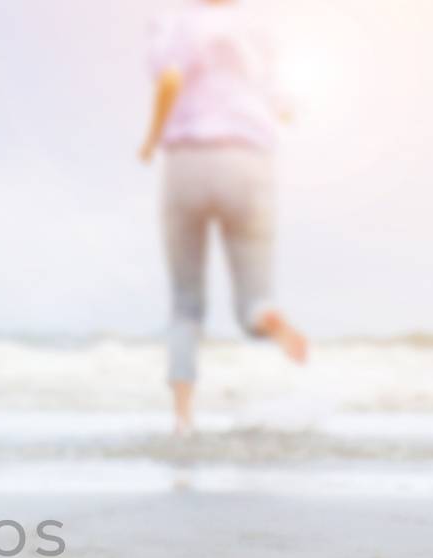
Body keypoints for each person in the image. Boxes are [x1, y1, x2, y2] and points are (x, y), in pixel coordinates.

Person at [139, 0, 308, 434]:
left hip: (187, 161)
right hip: (248, 159)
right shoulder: (260, 28)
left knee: (186, 305)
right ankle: (267, 316)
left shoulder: (172, 24)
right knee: (253, 300)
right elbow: (285, 106)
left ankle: (183, 419)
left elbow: (170, 79)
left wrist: (151, 140)